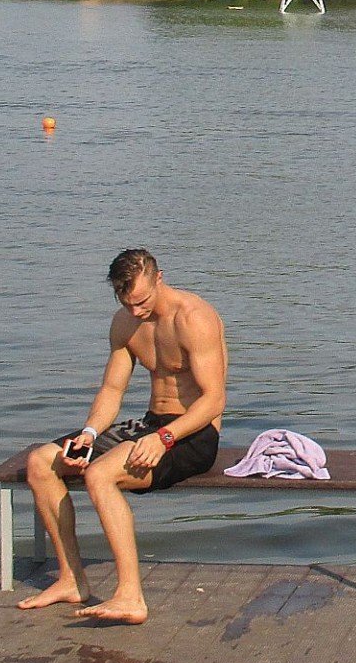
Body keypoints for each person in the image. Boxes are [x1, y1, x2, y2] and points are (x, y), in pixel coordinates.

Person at [18, 248, 227, 624]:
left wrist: (164, 438)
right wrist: (89, 432)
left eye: (143, 301)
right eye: (127, 303)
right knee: (39, 463)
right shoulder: (124, 323)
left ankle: (130, 597)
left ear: (159, 278)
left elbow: (214, 401)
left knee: (100, 474)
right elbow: (112, 391)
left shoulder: (194, 318)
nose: (137, 311)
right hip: (148, 424)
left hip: (193, 434)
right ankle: (71, 579)